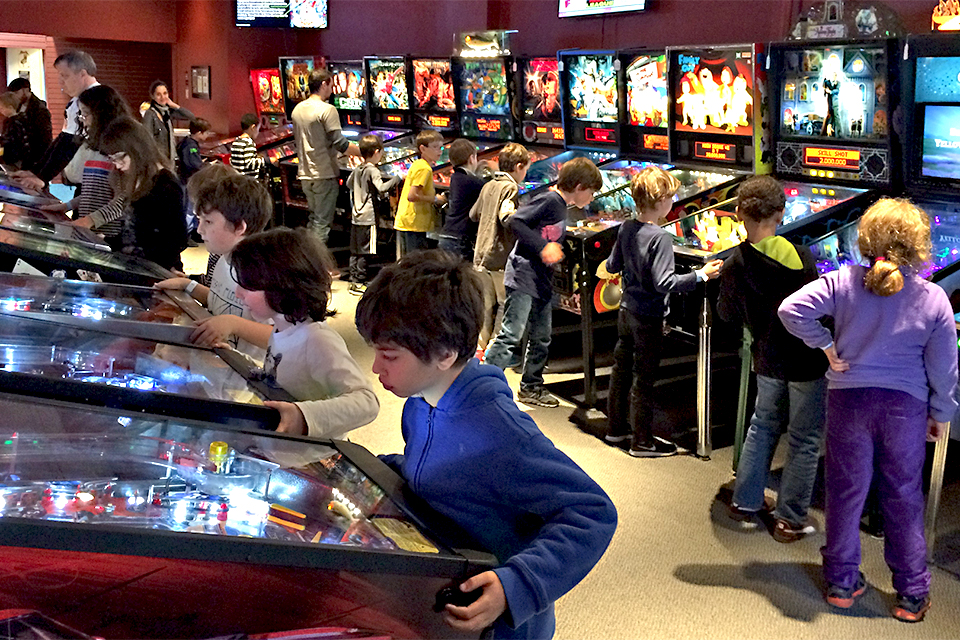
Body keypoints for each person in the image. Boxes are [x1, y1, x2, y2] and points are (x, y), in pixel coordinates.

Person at [354, 250, 617, 639]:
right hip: (447, 596)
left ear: (445, 354)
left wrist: (517, 585)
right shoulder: (419, 403)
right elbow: (438, 474)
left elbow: (593, 511)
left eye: (389, 355)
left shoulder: (503, 433)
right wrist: (373, 469)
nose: (376, 367)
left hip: (499, 625)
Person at [778, 198, 958, 623]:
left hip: (849, 402)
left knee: (845, 492)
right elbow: (944, 369)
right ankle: (911, 593)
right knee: (903, 496)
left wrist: (825, 346)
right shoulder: (934, 298)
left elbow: (790, 310)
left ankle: (841, 582)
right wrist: (941, 413)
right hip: (905, 409)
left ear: (864, 239)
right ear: (919, 245)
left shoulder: (842, 281)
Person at [717, 175, 827, 539]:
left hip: (767, 357)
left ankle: (745, 501)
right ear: (780, 214)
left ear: (738, 213)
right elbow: (818, 309)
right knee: (804, 438)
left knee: (762, 425)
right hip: (808, 360)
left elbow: (726, 314)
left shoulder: (735, 263)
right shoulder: (802, 256)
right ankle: (789, 518)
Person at [597, 166, 722, 456]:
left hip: (626, 311)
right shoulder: (660, 237)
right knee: (644, 379)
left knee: (621, 370)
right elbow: (664, 282)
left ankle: (616, 429)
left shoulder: (627, 227)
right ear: (660, 200)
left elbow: (613, 265)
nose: (673, 202)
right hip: (649, 316)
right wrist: (700, 275)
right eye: (671, 197)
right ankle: (642, 441)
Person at [230, 227, 379, 438]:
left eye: (247, 286)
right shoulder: (281, 328)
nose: (238, 293)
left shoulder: (318, 340)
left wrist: (303, 415)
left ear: (282, 285)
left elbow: (367, 402)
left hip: (309, 452)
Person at [484, 157, 602, 408]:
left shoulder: (560, 206)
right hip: (523, 275)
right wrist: (542, 246)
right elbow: (516, 221)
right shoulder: (550, 200)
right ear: (579, 187)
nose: (592, 198)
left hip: (541, 279)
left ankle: (531, 386)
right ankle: (482, 386)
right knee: (511, 334)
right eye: (591, 192)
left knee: (541, 337)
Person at [155, 164, 273, 362]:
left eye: (208, 222)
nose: (199, 230)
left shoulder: (264, 274)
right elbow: (223, 301)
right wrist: (188, 285)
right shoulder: (223, 259)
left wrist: (233, 324)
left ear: (239, 227)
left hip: (245, 374)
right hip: (217, 367)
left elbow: (286, 338)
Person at [98, 117, 186, 271]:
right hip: (136, 267)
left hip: (157, 271)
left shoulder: (165, 184)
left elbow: (176, 239)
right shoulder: (137, 179)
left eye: (120, 157)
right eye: (112, 159)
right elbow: (132, 233)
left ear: (136, 148)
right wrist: (106, 240)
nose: (117, 165)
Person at [51, 85, 131, 248]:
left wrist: (89, 220)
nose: (83, 120)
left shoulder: (119, 150)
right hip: (90, 232)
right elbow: (93, 191)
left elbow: (122, 200)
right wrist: (66, 206)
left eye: (86, 114)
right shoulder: (93, 145)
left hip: (109, 236)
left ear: (102, 113)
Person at [470, 142, 531, 352]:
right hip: (499, 257)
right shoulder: (510, 188)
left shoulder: (488, 185)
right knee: (505, 305)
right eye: (525, 169)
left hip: (480, 254)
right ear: (519, 166)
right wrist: (527, 217)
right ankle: (493, 351)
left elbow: (473, 214)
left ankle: (478, 351)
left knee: (485, 308)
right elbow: (506, 218)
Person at [291, 68, 360, 246]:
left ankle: (307, 254)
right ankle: (316, 259)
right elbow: (340, 144)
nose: (333, 88)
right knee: (322, 223)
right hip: (324, 173)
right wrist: (366, 151)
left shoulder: (297, 109)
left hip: (305, 174)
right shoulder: (327, 110)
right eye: (331, 84)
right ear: (323, 84)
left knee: (313, 219)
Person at [15, 51, 98, 188]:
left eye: (65, 76)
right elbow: (63, 140)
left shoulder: (96, 99)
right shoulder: (77, 101)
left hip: (97, 181)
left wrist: (42, 177)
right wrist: (36, 172)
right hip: (85, 180)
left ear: (82, 74)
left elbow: (69, 143)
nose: (60, 82)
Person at [345, 133, 399, 294]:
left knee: (355, 250)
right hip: (368, 217)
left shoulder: (358, 169)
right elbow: (381, 188)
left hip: (356, 215)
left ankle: (353, 279)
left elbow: (348, 184)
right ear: (376, 152)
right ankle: (360, 281)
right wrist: (397, 178)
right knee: (366, 251)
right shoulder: (372, 170)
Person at [394, 129, 446, 257]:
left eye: (441, 147)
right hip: (414, 222)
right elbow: (412, 195)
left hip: (408, 220)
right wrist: (435, 199)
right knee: (416, 260)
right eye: (435, 147)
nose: (439, 151)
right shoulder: (424, 168)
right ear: (422, 148)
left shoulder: (418, 164)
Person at [438, 138, 485, 261]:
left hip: (448, 234)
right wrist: (496, 170)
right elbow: (490, 188)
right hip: (459, 239)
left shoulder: (456, 177)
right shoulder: (472, 182)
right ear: (471, 158)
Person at [7, 77, 52, 174]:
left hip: (34, 160)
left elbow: (44, 139)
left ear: (25, 90)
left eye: (16, 93)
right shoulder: (18, 106)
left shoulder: (39, 110)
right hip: (19, 159)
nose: (14, 97)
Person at [142, 80, 195, 161]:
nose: (163, 97)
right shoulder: (150, 114)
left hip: (170, 158)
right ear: (153, 96)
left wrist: (174, 105)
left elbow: (190, 116)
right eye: (158, 94)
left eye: (165, 93)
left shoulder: (168, 112)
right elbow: (147, 139)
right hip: (158, 160)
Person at [230, 113, 265, 179]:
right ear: (253, 128)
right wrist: (265, 160)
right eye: (258, 129)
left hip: (238, 179)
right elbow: (249, 164)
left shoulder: (236, 141)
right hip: (248, 180)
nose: (258, 133)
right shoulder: (248, 142)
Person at [177, 117, 212, 184]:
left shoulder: (187, 142)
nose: (207, 135)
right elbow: (194, 165)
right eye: (206, 133)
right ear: (199, 133)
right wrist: (209, 165)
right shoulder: (191, 146)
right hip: (188, 181)